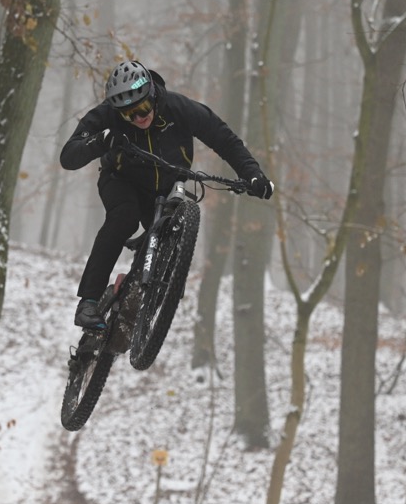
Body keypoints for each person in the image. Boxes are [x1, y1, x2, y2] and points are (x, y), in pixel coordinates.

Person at [60, 59, 274, 328]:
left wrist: (252, 174)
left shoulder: (179, 108)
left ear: (152, 95)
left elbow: (224, 139)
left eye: (143, 108)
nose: (139, 118)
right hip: (121, 180)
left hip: (166, 186)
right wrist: (101, 140)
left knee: (170, 235)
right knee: (125, 216)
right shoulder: (107, 115)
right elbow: (69, 156)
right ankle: (88, 302)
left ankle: (141, 304)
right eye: (129, 114)